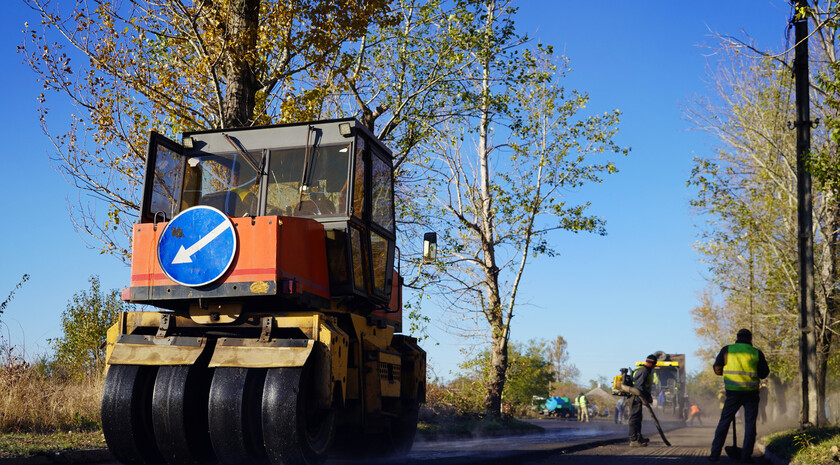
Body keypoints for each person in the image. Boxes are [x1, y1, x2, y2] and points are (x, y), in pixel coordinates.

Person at [708, 329, 770, 463]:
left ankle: (714, 455)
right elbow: (764, 373)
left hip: (732, 393)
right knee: (750, 425)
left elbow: (717, 368)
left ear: (737, 337)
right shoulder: (756, 352)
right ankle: (746, 456)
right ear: (750, 339)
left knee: (724, 423)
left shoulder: (727, 350)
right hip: (751, 394)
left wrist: (725, 373)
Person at [629, 354, 657, 447]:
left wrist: (648, 395)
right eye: (654, 365)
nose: (653, 367)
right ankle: (633, 440)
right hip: (635, 397)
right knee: (634, 418)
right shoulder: (643, 371)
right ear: (651, 363)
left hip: (638, 397)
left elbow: (644, 387)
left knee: (638, 418)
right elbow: (639, 387)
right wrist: (647, 396)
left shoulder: (645, 371)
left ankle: (639, 437)